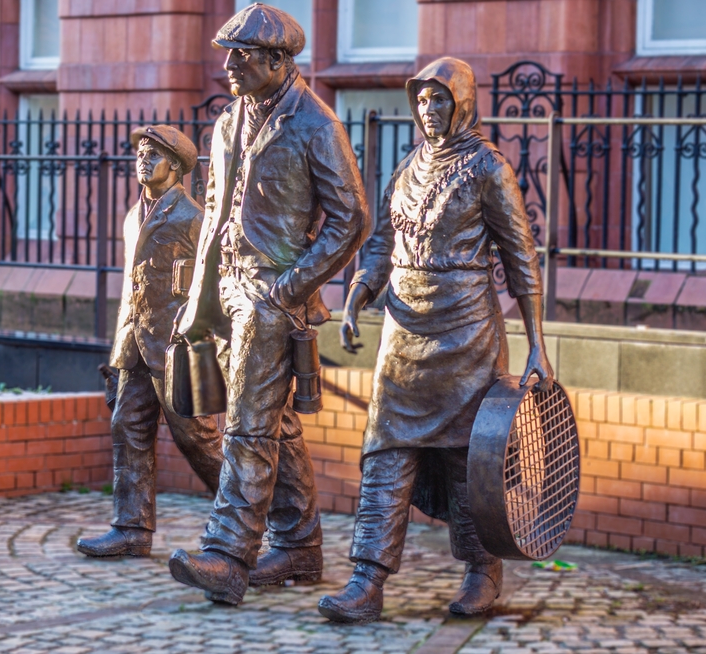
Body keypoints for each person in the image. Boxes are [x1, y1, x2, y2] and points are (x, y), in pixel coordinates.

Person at [316, 57, 555, 623]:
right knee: (384, 449)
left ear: (462, 103)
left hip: (466, 330)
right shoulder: (409, 165)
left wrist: (537, 343)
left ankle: (482, 570)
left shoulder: (486, 167)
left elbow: (521, 256)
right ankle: (366, 579)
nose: (428, 110)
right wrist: (358, 291)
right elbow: (382, 242)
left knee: (463, 456)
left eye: (439, 100)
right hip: (403, 332)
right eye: (421, 100)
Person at [168, 3, 369, 605]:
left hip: (272, 297)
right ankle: (301, 545)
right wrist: (198, 300)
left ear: (279, 61)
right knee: (275, 425)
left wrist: (291, 286)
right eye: (228, 54)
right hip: (229, 288)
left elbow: (351, 219)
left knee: (249, 424)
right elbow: (215, 218)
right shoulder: (228, 122)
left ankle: (228, 555)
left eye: (243, 56)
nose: (229, 65)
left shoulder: (316, 123)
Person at [76, 125, 224, 559]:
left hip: (176, 347)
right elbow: (130, 289)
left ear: (176, 166)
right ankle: (131, 527)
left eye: (153, 153)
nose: (142, 159)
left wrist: (205, 343)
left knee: (197, 439)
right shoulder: (130, 216)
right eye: (140, 152)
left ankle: (251, 519)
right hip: (135, 346)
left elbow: (211, 286)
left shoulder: (193, 218)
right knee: (127, 427)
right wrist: (118, 353)